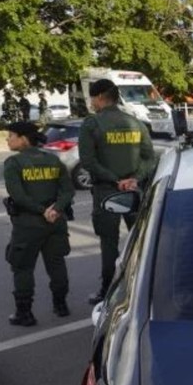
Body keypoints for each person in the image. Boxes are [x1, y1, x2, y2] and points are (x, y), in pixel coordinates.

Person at [80, 78, 156, 305]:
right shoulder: (136, 122)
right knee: (141, 241)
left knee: (108, 244)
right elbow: (149, 158)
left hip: (106, 192)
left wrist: (115, 180)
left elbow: (88, 161)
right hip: (134, 191)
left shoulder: (92, 124)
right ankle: (146, 286)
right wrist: (134, 179)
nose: (91, 103)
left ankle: (108, 290)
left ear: (100, 98)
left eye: (92, 99)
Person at [2, 121, 74, 326]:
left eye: (11, 135)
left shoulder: (14, 163)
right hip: (56, 222)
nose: (8, 139)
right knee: (57, 264)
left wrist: (42, 211)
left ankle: (24, 313)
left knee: (22, 268)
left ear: (23, 139)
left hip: (28, 224)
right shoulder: (53, 160)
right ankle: (61, 306)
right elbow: (68, 191)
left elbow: (18, 196)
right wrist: (56, 209)